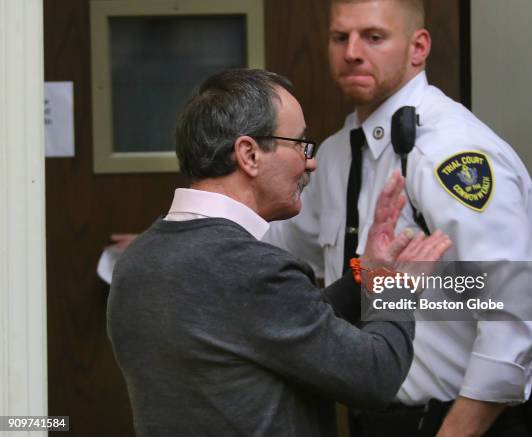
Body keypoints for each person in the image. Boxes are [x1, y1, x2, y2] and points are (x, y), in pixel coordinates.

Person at [264, 1, 532, 436]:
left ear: (418, 47)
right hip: (375, 420)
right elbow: (282, 243)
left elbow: (520, 307)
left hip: (458, 423)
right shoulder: (337, 154)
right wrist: (195, 232)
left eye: (374, 37)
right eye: (340, 37)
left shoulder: (451, 154)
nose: (352, 52)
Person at [106, 69, 451, 437]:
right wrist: (392, 287)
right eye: (300, 144)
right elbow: (375, 377)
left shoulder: (135, 261)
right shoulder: (253, 269)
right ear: (249, 154)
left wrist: (363, 274)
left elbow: (270, 326)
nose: (311, 162)